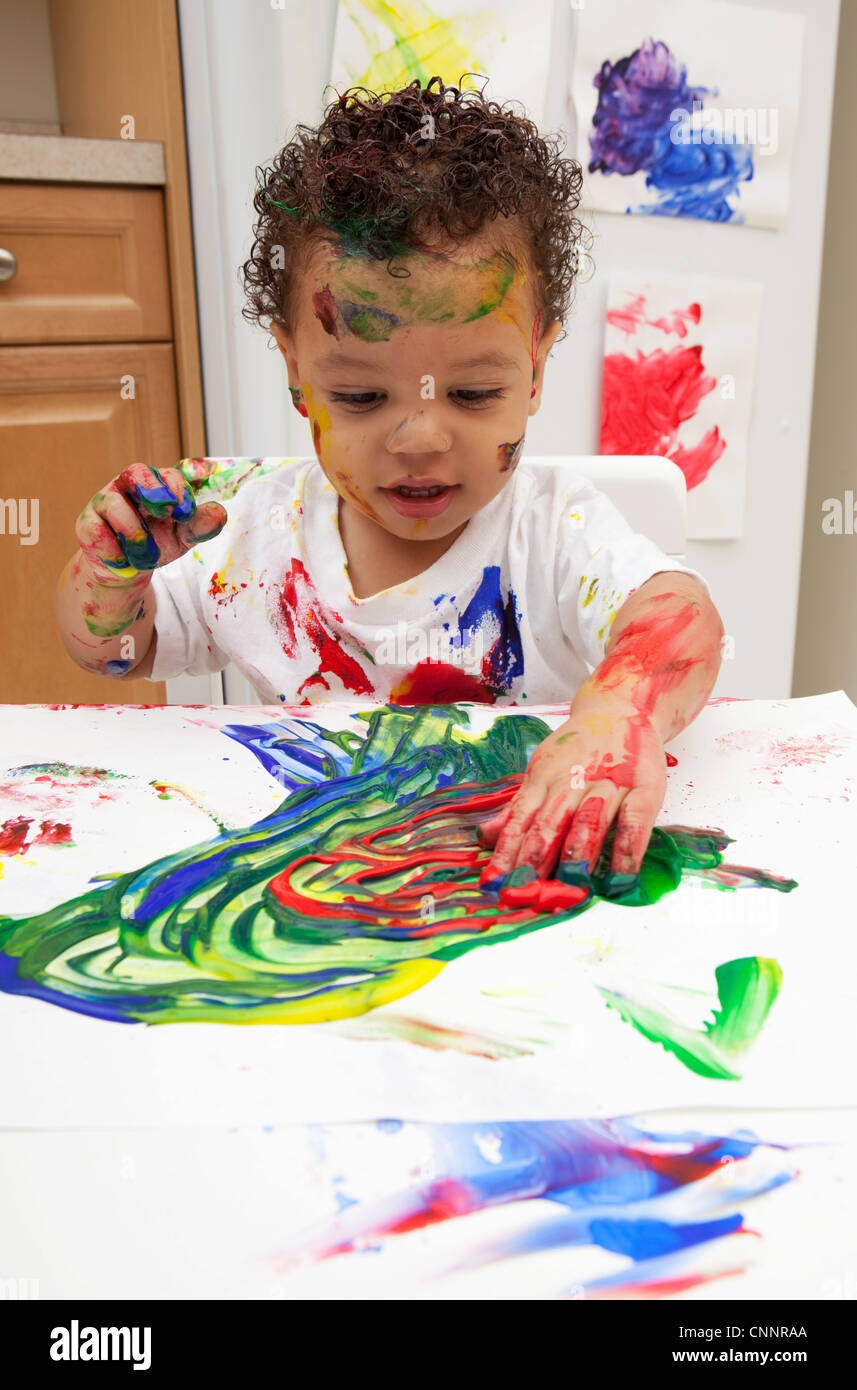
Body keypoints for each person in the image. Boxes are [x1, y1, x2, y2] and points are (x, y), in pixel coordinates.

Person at [55, 78, 724, 887]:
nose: (421, 437)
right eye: (362, 397)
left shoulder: (555, 533)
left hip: (513, 883)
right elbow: (119, 655)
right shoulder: (247, 530)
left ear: (537, 369)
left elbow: (680, 620)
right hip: (314, 878)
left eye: (475, 394)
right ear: (296, 370)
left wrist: (617, 714)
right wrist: (109, 577)